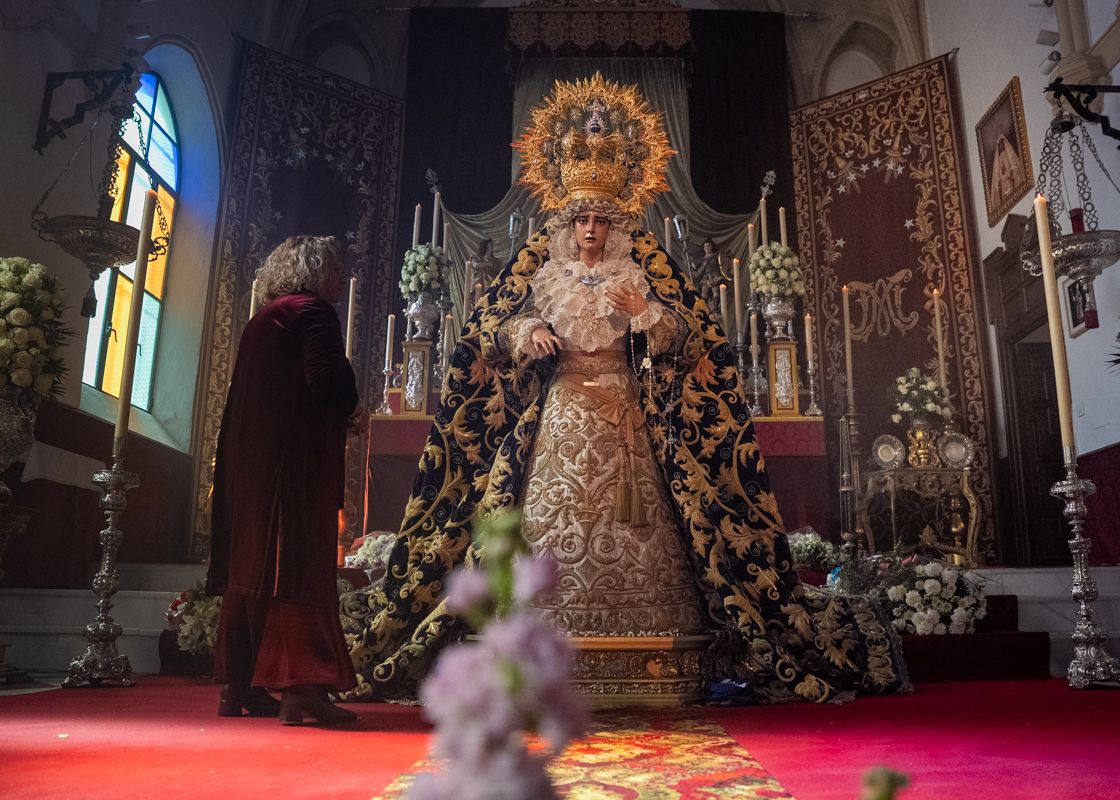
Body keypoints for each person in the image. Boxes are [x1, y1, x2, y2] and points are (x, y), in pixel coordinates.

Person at [341, 73, 908, 704]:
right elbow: (488, 331)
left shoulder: (641, 269)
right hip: (558, 415)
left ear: (616, 224)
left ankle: (652, 637)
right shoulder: (543, 270)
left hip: (625, 417)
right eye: (581, 218)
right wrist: (525, 330)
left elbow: (691, 339)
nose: (590, 229)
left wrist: (645, 313)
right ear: (567, 221)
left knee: (642, 524)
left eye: (601, 220)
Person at [207, 235, 360, 725]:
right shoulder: (311, 312)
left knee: (251, 564)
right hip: (290, 463)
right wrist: (351, 410)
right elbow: (324, 379)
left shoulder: (265, 316)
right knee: (295, 561)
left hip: (251, 458)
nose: (341, 278)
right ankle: (302, 691)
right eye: (336, 269)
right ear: (316, 271)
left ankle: (239, 686)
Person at [988, 133, 1024, 209]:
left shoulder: (1007, 154)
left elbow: (1012, 166)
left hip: (1008, 179)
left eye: (1002, 144)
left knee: (1011, 192)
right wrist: (1002, 176)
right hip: (1004, 182)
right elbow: (998, 172)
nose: (1001, 146)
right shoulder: (999, 158)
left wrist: (1008, 173)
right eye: (999, 145)